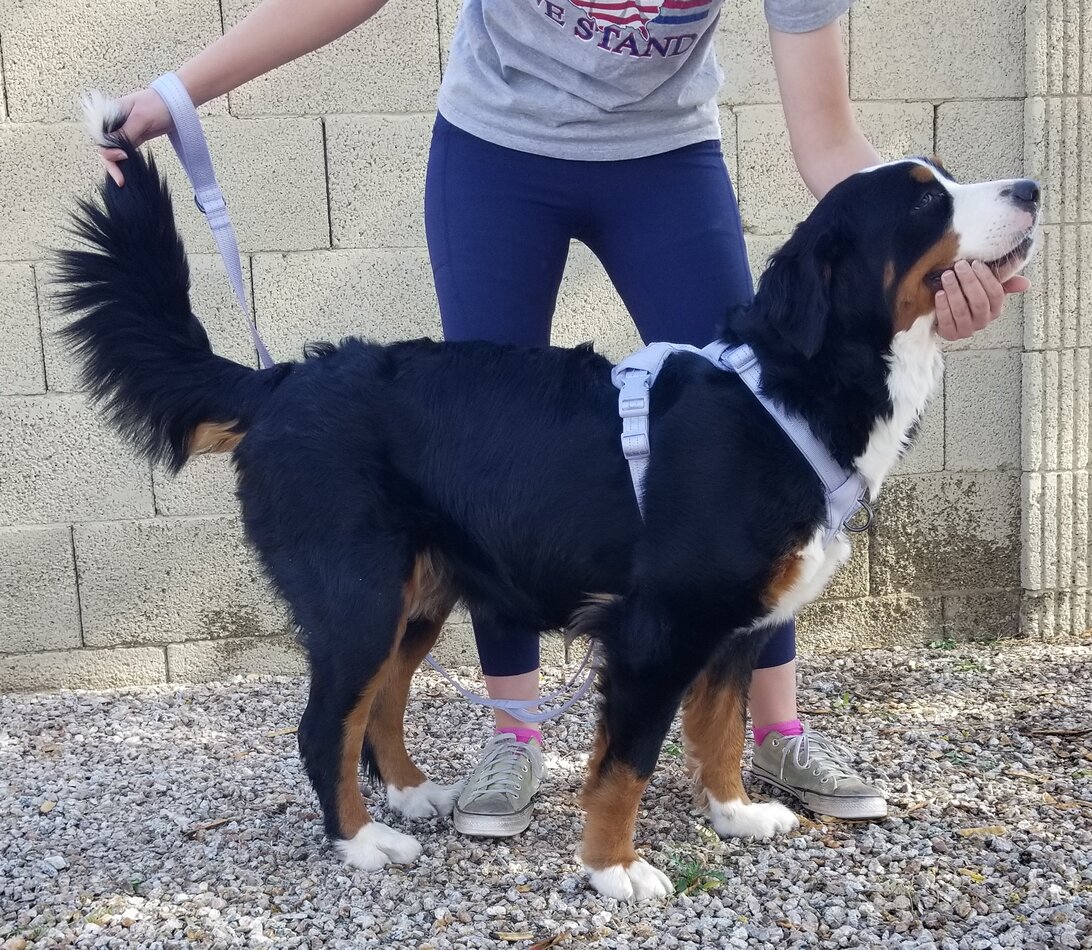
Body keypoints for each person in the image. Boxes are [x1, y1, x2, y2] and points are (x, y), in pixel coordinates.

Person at [96, 0, 1028, 838]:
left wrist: (930, 260)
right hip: (497, 152)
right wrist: (177, 93)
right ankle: (512, 742)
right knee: (486, 476)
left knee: (761, 479)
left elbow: (830, 147)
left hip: (665, 157)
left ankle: (767, 738)